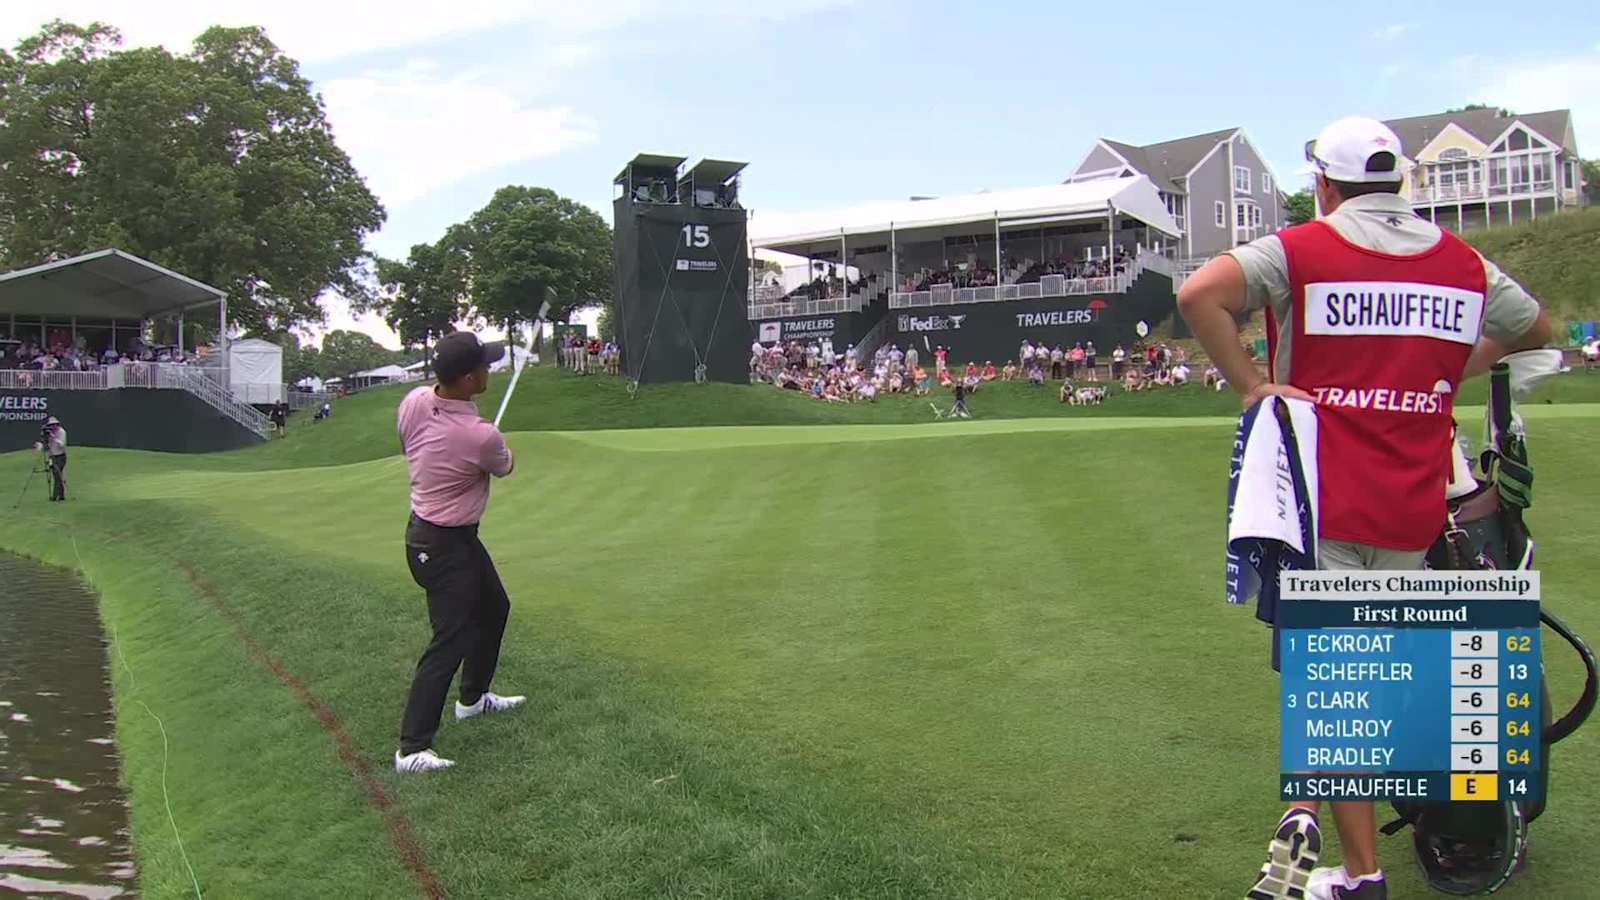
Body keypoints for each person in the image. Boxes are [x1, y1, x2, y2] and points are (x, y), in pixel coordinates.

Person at [1179, 116, 1552, 900]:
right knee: (1361, 677)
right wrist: (1447, 371)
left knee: (1332, 684)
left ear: (1324, 183)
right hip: (1412, 509)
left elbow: (1200, 293)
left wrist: (1253, 387)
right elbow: (1538, 333)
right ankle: (1323, 817)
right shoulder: (1462, 263)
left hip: (1317, 501)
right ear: (1401, 182)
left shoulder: (1303, 248)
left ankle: (1357, 868)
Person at [394, 332, 527, 774]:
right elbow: (505, 466)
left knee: (495, 606)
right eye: (485, 367)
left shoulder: (415, 400)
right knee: (451, 637)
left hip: (442, 537)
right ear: (470, 378)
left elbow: (406, 443)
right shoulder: (479, 436)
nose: (491, 370)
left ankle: (473, 699)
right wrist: (484, 442)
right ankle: (412, 748)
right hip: (440, 545)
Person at [34, 416, 67, 502]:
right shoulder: (48, 433)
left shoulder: (61, 432)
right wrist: (40, 446)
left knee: (57, 475)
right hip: (52, 456)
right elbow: (47, 447)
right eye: (51, 425)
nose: (52, 427)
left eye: (54, 425)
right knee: (56, 476)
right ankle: (61, 495)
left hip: (60, 456)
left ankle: (55, 496)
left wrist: (54, 437)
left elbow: (62, 445)